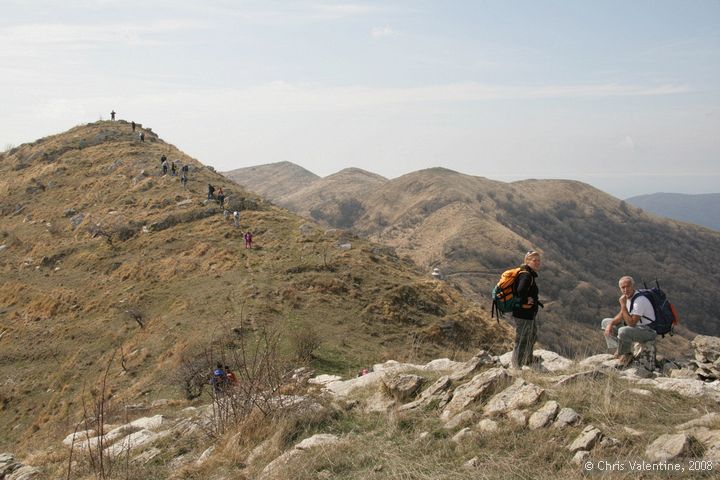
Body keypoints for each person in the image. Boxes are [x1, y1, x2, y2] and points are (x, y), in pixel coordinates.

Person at [601, 276, 657, 367]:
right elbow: (621, 316)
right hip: (637, 328)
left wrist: (623, 305)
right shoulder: (627, 298)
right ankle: (619, 350)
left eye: (628, 286)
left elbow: (632, 323)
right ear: (620, 288)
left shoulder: (639, 300)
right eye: (623, 287)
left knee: (623, 331)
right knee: (605, 322)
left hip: (648, 330)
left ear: (633, 286)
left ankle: (626, 355)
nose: (625, 289)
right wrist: (610, 324)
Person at [511, 251, 542, 369]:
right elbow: (520, 290)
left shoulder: (529, 273)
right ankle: (517, 364)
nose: (537, 263)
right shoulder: (526, 275)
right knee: (522, 338)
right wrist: (525, 300)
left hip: (528, 313)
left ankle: (527, 358)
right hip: (523, 313)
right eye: (534, 260)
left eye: (538, 260)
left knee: (532, 335)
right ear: (527, 261)